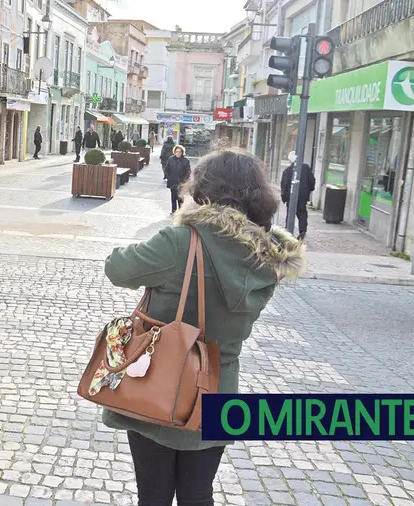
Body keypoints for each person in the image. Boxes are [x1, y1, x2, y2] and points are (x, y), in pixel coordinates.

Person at [103, 148, 306, 506]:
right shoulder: (267, 257)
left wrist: (180, 224)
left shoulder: (180, 242)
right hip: (219, 389)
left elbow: (117, 268)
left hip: (162, 383)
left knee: (153, 496)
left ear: (203, 190)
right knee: (199, 494)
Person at [280, 151, 317, 240]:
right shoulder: (306, 167)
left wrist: (284, 197)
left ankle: (288, 230)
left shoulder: (287, 170)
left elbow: (284, 185)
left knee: (290, 212)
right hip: (303, 195)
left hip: (291, 195)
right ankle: (302, 230)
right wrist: (309, 190)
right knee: (302, 213)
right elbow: (312, 180)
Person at [164, 145, 190, 214]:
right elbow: (167, 169)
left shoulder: (186, 161)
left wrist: (184, 180)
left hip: (181, 182)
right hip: (172, 181)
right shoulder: (170, 159)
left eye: (179, 152)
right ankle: (173, 210)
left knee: (180, 197)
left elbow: (188, 172)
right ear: (174, 152)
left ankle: (181, 211)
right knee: (173, 196)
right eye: (176, 152)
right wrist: (169, 177)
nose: (178, 153)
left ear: (182, 152)